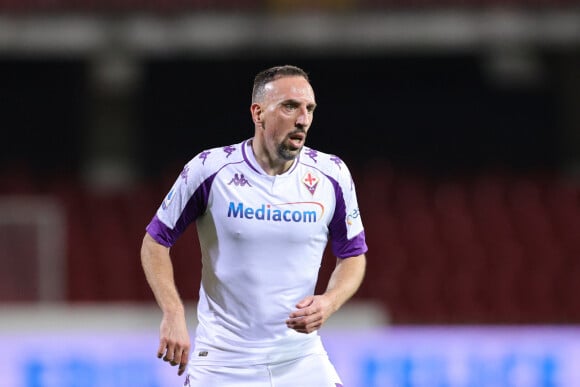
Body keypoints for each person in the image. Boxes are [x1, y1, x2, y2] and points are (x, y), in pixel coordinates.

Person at [140, 64, 368, 387]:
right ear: (257, 112)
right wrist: (173, 313)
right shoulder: (209, 169)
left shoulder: (333, 175)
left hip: (300, 358)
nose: (302, 119)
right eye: (290, 106)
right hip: (223, 361)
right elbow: (155, 243)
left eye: (309, 109)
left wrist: (329, 302)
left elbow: (354, 256)